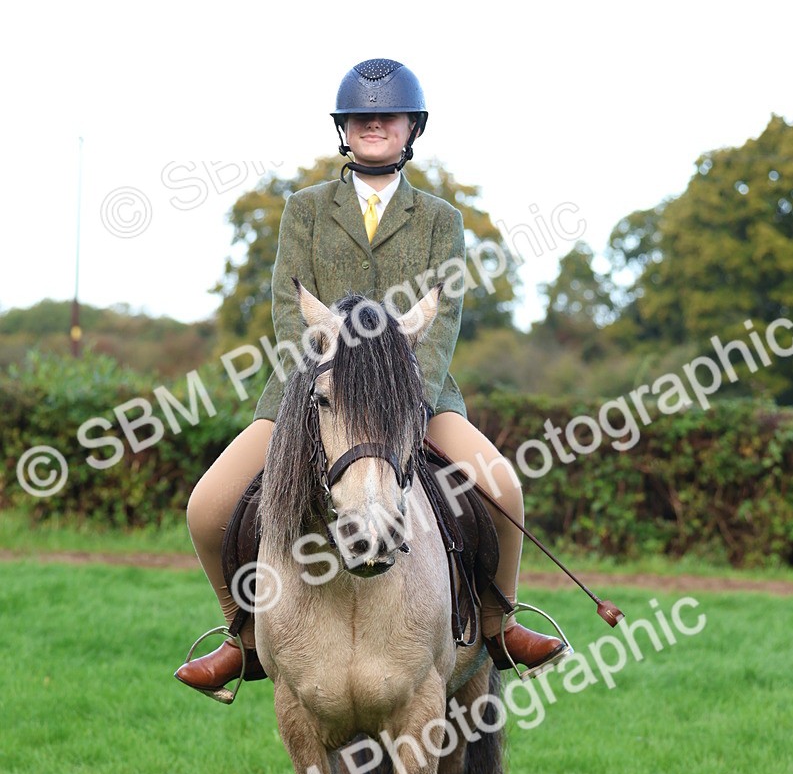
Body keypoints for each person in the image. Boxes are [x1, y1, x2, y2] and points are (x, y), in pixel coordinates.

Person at [175, 58, 567, 701]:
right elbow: (285, 307)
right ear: (345, 129)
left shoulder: (442, 219)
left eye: (389, 116)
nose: (375, 123)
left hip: (415, 397)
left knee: (504, 487)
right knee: (209, 506)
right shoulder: (303, 210)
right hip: (314, 395)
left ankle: (499, 626)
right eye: (363, 116)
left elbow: (442, 321)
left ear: (412, 129)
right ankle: (240, 637)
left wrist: (399, 395)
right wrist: (320, 383)